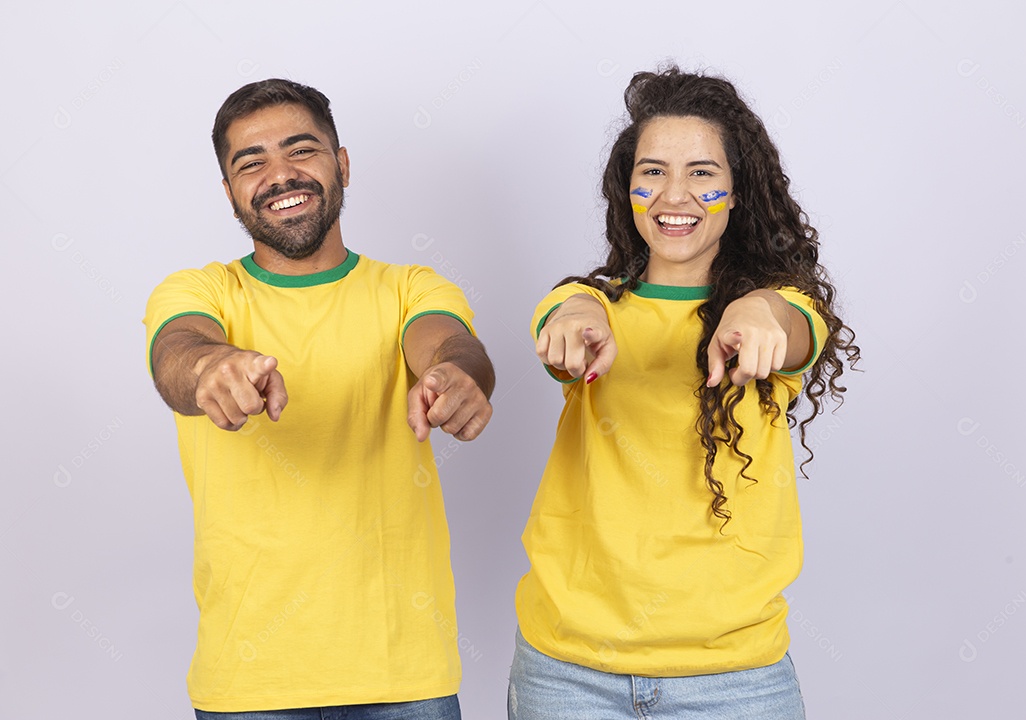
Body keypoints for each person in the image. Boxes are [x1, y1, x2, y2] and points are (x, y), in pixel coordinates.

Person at [510, 67, 859, 719]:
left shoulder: (784, 308)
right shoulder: (589, 304)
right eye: (653, 171)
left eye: (702, 172)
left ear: (737, 190)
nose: (675, 193)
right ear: (629, 186)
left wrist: (754, 314)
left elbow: (788, 329)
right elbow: (566, 320)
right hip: (568, 677)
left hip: (734, 682)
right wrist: (575, 325)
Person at [143, 79, 494, 720]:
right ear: (229, 193)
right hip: (248, 685)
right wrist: (211, 367)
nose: (280, 175)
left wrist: (457, 377)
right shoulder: (199, 290)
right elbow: (178, 353)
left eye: (300, 150)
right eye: (251, 162)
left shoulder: (409, 286)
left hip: (404, 680)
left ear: (343, 164)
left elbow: (447, 344)